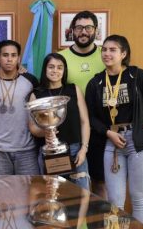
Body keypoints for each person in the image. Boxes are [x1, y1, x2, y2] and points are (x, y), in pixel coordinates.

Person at [85, 35, 143, 224]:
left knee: (139, 199)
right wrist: (108, 133)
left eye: (112, 50)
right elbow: (91, 117)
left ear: (123, 54)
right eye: (104, 49)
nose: (107, 53)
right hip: (112, 142)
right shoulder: (95, 83)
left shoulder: (138, 76)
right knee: (114, 202)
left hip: (138, 141)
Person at [58, 10, 107, 198]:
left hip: (102, 131)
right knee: (68, 187)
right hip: (71, 133)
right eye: (79, 28)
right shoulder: (61, 58)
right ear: (72, 31)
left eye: (88, 27)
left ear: (96, 30)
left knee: (100, 183)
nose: (83, 32)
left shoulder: (107, 55)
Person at [28, 53, 90, 190]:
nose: (55, 70)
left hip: (76, 152)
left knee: (82, 197)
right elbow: (32, 127)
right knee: (53, 199)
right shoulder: (36, 94)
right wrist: (45, 132)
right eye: (51, 67)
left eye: (59, 67)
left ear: (64, 70)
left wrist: (83, 149)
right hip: (49, 153)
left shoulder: (73, 90)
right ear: (45, 69)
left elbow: (85, 122)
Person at [0, 40, 39, 175]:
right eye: (5, 55)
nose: (9, 59)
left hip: (27, 150)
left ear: (18, 58)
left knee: (29, 193)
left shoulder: (31, 81)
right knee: (0, 194)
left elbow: (39, 114)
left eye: (13, 55)